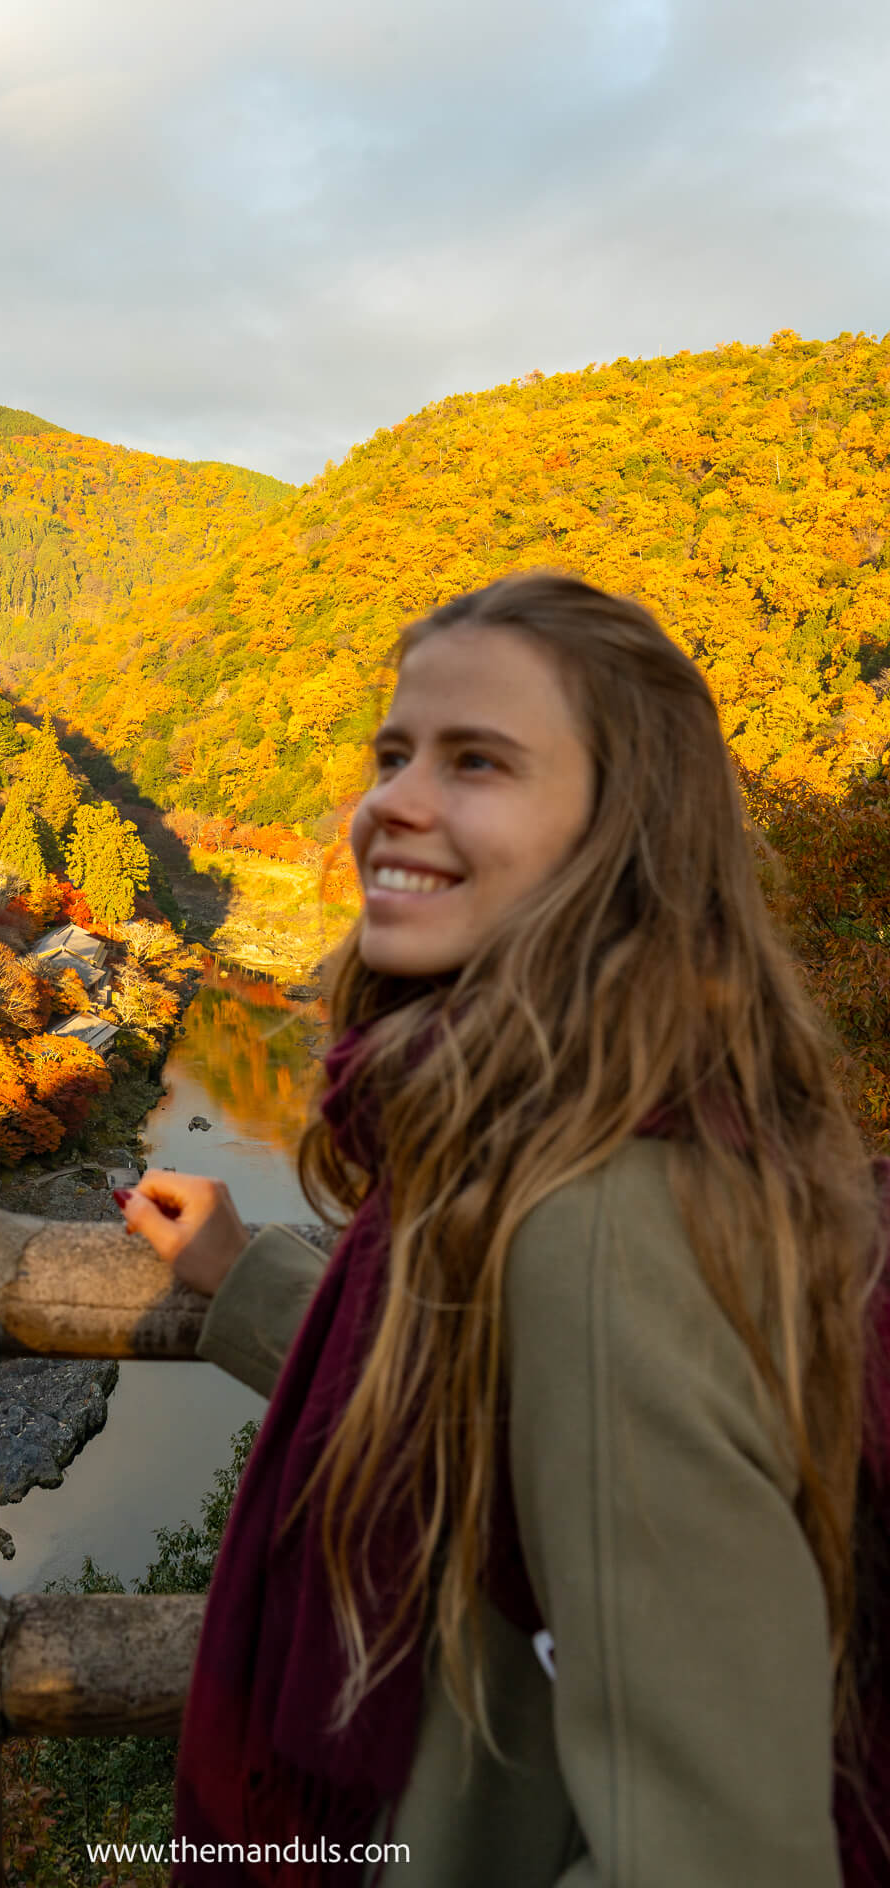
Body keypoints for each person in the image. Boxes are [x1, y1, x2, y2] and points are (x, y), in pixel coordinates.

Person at [116, 571, 882, 1886]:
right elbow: (510, 1387)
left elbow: (728, 1851)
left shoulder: (598, 1216)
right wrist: (249, 1283)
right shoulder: (588, 1127)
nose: (394, 802)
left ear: (620, 834)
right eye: (394, 752)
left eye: (478, 762)